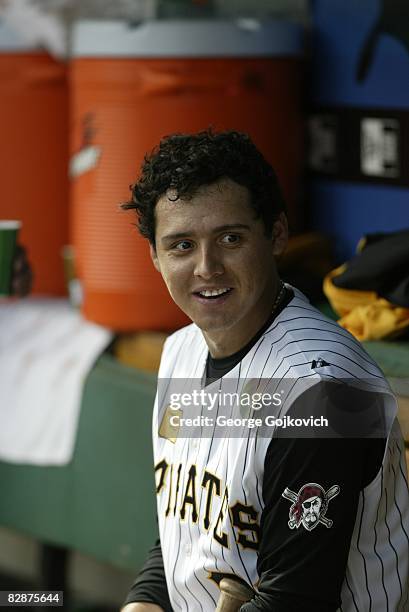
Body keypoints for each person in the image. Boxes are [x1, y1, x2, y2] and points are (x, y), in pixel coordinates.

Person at [121, 130, 409, 612]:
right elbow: (189, 533)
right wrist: (144, 602)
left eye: (230, 239)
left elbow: (298, 600)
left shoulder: (325, 392)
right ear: (154, 255)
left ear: (276, 235)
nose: (206, 267)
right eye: (181, 245)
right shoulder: (181, 352)